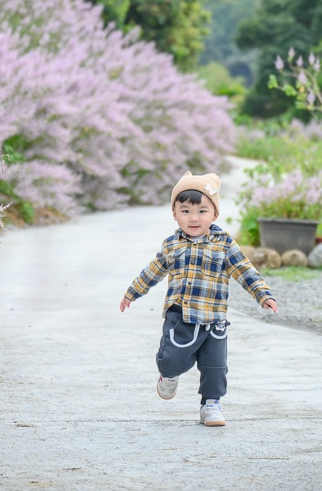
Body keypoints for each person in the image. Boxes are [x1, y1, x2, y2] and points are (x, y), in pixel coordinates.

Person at [119, 171, 278, 427]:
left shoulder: (224, 243)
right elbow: (153, 271)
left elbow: (245, 270)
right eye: (185, 211)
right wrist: (132, 293)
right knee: (172, 360)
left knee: (215, 367)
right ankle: (168, 376)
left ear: (214, 214)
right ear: (174, 213)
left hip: (214, 318)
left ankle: (211, 404)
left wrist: (263, 294)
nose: (194, 218)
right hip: (180, 316)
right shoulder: (172, 245)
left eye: (202, 211)